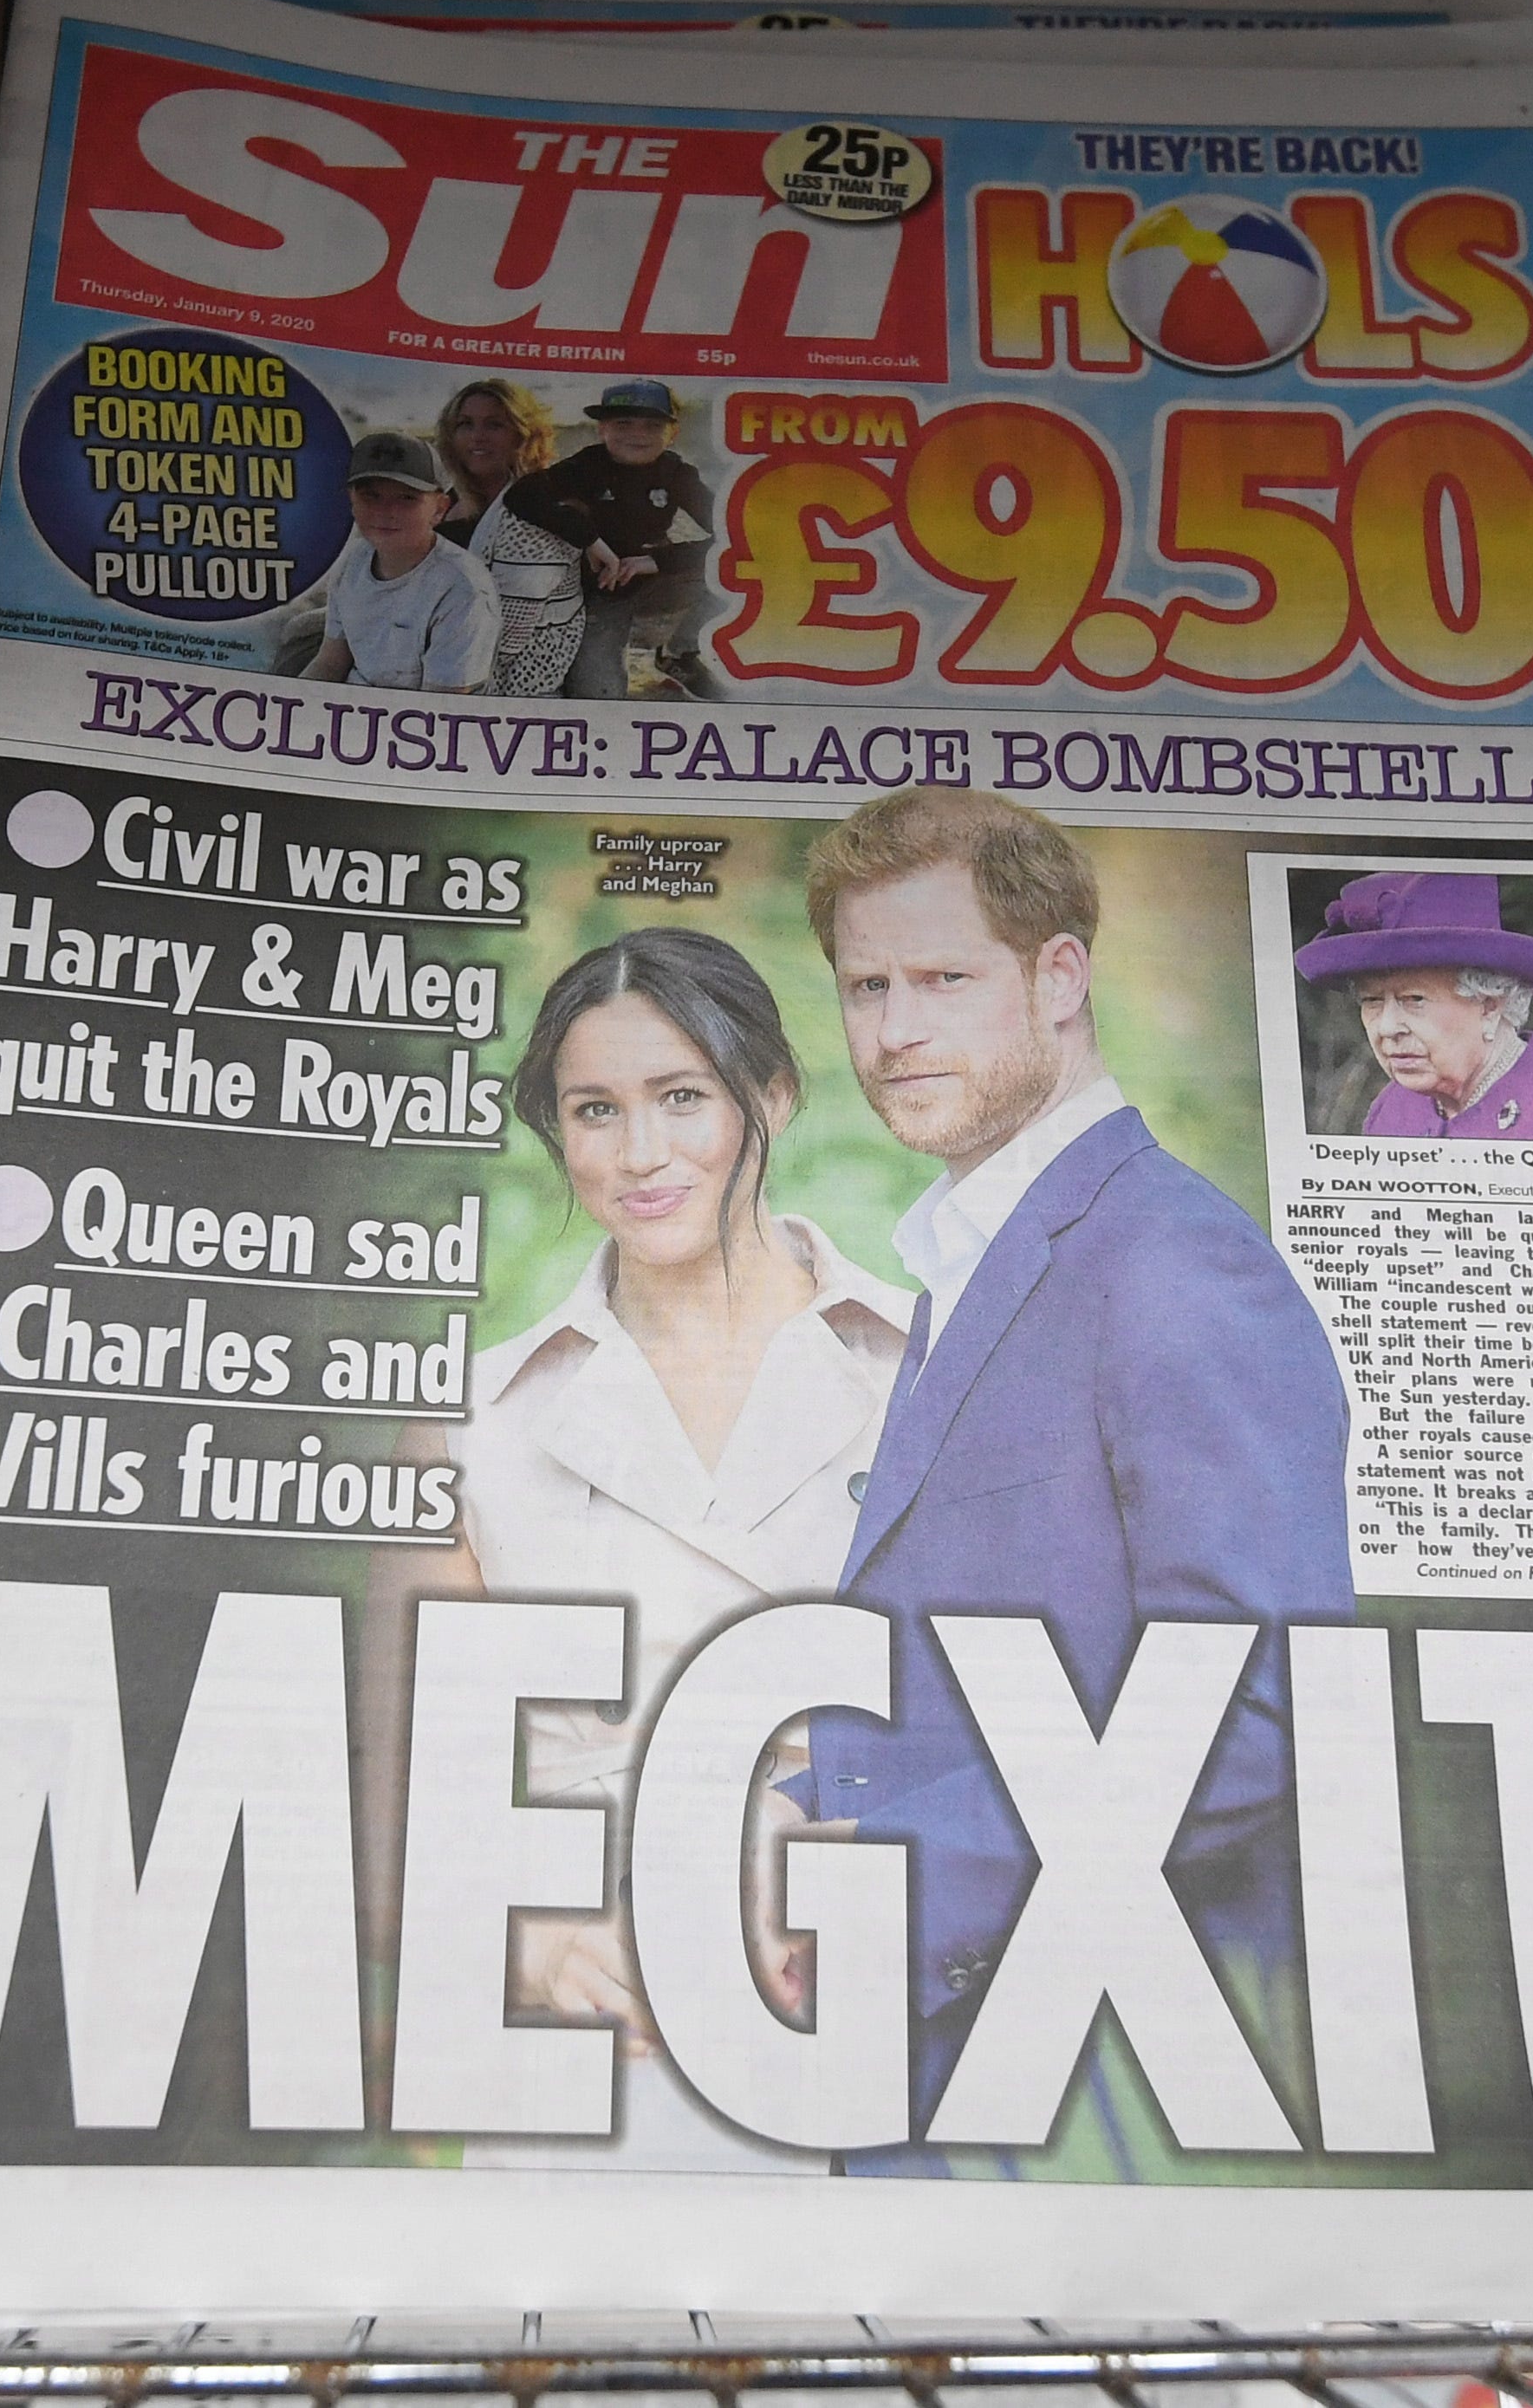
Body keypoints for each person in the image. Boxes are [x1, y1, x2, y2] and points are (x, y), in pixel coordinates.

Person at [792, 785, 1353, 2165]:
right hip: (926, 2057)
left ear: (1057, 978)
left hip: (1081, 2087)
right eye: (865, 985)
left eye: (943, 978)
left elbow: (1258, 1711)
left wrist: (881, 1876)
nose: (894, 1029)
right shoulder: (969, 1250)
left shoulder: (1167, 1260)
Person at [445, 927, 906, 2170]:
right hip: (596, 2043)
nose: (640, 1152)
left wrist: (838, 1881)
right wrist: (535, 1938)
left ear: (771, 1095)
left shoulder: (925, 1366)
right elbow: (417, 1772)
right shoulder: (480, 1416)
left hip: (863, 1987)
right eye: (594, 1109)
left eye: (682, 1096)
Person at [1296, 870, 1533, 1140]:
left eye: (1414, 999)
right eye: (1372, 1000)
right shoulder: (1394, 1107)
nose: (1387, 1028)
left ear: (1490, 1007)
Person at [510, 379, 721, 699]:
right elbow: (521, 495)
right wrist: (591, 540)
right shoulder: (586, 465)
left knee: (741, 573)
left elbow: (736, 532)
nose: (638, 434)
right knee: (599, 696)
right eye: (623, 423)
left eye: (653, 425)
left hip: (658, 582)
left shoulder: (677, 473)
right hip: (601, 593)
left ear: (673, 433)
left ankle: (679, 653)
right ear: (602, 429)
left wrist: (656, 561)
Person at [307, 427, 500, 691]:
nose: (385, 511)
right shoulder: (354, 558)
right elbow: (330, 662)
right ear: (351, 501)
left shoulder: (463, 588)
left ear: (439, 509)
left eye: (407, 497)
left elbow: (440, 704)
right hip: (352, 702)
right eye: (371, 495)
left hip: (416, 712)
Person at [438, 377, 587, 694]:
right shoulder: (444, 499)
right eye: (465, 424)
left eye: (495, 425)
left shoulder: (543, 513)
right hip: (447, 658)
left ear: (523, 434)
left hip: (510, 684)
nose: (477, 437)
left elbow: (506, 637)